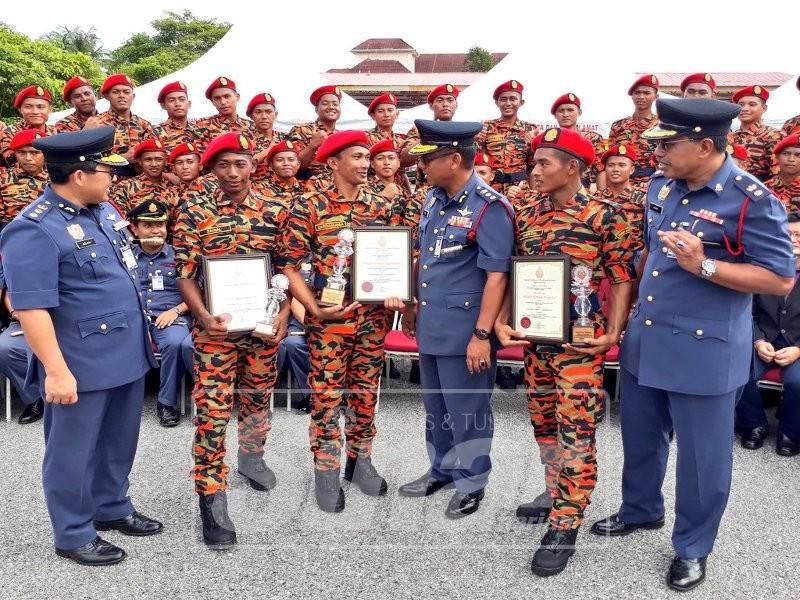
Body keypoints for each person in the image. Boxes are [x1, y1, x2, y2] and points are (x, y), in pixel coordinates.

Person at [591, 97, 795, 592]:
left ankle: (693, 546)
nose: (657, 152)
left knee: (703, 459)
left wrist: (704, 266)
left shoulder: (751, 200)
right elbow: (648, 252)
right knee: (640, 435)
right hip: (651, 336)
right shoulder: (663, 186)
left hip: (706, 348)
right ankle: (641, 510)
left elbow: (779, 279)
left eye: (669, 144)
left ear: (705, 146)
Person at [0, 126, 162, 566]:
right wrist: (55, 369)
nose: (113, 178)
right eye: (105, 171)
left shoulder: (103, 211)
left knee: (119, 439)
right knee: (72, 449)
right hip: (80, 359)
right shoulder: (32, 229)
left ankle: (111, 507)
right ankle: (72, 532)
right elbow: (31, 308)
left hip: (127, 350)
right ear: (79, 174)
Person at [495, 128, 636, 576]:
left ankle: (566, 521)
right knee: (544, 424)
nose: (534, 171)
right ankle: (556, 489)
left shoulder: (604, 216)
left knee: (576, 428)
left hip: (579, 343)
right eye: (534, 163)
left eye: (544, 164)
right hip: (536, 342)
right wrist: (504, 318)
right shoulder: (528, 213)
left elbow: (620, 277)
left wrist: (613, 331)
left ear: (572, 167)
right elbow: (519, 273)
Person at [173, 132, 290, 549]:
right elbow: (185, 273)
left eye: (240, 163)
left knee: (259, 397)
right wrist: (203, 315)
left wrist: (285, 314)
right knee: (213, 410)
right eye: (224, 165)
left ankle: (252, 458)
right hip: (216, 331)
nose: (233, 173)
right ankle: (211, 496)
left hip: (262, 329)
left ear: (253, 165)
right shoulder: (194, 210)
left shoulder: (277, 210)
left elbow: (288, 270)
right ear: (212, 169)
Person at [396, 120, 514, 519]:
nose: (422, 165)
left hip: (466, 330)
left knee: (467, 411)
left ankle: (472, 480)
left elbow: (497, 274)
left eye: (429, 159)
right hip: (432, 322)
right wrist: (412, 302)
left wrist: (482, 335)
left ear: (455, 159)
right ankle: (441, 469)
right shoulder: (433, 198)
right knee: (436, 408)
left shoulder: (489, 206)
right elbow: (426, 258)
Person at [281, 130, 401, 513]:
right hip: (330, 321)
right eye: (357, 157)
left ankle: (360, 461)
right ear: (333, 162)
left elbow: (397, 257)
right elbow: (289, 264)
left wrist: (399, 291)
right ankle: (326, 469)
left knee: (366, 393)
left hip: (372, 318)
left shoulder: (381, 205)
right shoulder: (309, 206)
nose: (366, 164)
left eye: (368, 157)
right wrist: (313, 309)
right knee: (328, 396)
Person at [735, 212, 800, 457]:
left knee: (797, 382)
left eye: (798, 235)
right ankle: (753, 424)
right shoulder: (764, 270)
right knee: (740, 372)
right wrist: (758, 339)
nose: (793, 239)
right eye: (789, 234)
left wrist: (798, 349)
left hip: (797, 345)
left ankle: (791, 433)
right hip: (766, 339)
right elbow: (747, 311)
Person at [128, 200, 193, 427]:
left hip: (170, 318)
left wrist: (175, 311)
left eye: (160, 225)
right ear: (134, 229)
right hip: (133, 318)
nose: (156, 230)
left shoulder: (180, 256)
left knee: (175, 343)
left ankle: (166, 403)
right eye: (148, 225)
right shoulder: (124, 257)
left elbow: (198, 293)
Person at [475, 80, 538, 194]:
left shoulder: (530, 129)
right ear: (497, 103)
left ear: (521, 102)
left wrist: (534, 192)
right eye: (503, 99)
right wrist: (476, 140)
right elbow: (478, 160)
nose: (508, 103)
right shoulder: (487, 127)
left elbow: (534, 166)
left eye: (513, 99)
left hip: (520, 189)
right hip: (492, 189)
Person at [0, 260, 43, 424]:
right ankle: (37, 397)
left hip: (64, 315)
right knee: (4, 347)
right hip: (24, 316)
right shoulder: (15, 249)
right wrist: (14, 312)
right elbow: (8, 290)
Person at [605, 75, 660, 188]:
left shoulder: (661, 125)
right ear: (632, 96)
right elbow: (611, 158)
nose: (641, 96)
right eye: (637, 93)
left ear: (656, 96)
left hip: (651, 183)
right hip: (621, 184)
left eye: (646, 93)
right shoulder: (618, 125)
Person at [88, 74, 154, 161]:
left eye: (126, 92)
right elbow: (87, 158)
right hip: (108, 173)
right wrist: (123, 159)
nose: (121, 95)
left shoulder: (144, 125)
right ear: (107, 96)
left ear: (133, 97)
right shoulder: (96, 123)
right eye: (115, 92)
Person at [289, 85, 342, 182]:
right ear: (316, 109)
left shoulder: (342, 136)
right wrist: (312, 146)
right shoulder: (301, 130)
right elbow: (291, 168)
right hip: (310, 188)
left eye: (335, 104)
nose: (331, 107)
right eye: (325, 103)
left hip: (338, 189)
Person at [550, 93, 605, 187]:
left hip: (583, 190)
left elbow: (601, 170)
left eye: (570, 110)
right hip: (555, 189)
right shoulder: (549, 140)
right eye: (561, 111)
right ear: (555, 115)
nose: (565, 114)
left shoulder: (593, 138)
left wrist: (601, 195)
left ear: (579, 113)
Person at [108, 138, 175, 215]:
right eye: (148, 160)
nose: (154, 164)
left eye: (159, 159)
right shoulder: (124, 187)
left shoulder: (173, 186)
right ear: (140, 161)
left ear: (166, 161)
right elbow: (120, 218)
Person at [400, 84, 459, 168]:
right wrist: (430, 137)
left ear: (456, 105)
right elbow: (404, 158)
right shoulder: (420, 129)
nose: (445, 104)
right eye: (440, 100)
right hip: (430, 178)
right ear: (431, 106)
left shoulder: (462, 130)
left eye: (450, 100)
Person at [599, 144, 647, 246]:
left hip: (635, 259)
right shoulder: (596, 199)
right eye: (611, 165)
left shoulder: (643, 199)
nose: (615, 169)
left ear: (632, 170)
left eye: (622, 165)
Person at [731, 85, 781, 182]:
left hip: (758, 190)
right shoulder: (731, 136)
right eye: (741, 105)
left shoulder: (773, 135)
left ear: (764, 108)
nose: (744, 108)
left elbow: (778, 174)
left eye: (752, 104)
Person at [0, 129, 49, 228]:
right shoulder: (3, 178)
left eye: (35, 153)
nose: (28, 158)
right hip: (11, 231)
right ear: (15, 154)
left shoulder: (58, 178)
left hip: (48, 230)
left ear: (45, 154)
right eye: (21, 153)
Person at [0, 86, 56, 164]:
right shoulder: (10, 132)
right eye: (28, 107)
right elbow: (11, 159)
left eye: (41, 107)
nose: (35, 112)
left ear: (50, 110)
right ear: (20, 109)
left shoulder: (57, 132)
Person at [195, 77, 254, 148]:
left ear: (237, 97)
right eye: (217, 98)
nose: (223, 102)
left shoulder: (252, 127)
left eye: (227, 96)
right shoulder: (202, 126)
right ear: (212, 102)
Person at [246, 93, 286, 183]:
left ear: (275, 115)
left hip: (283, 190)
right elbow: (242, 167)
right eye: (258, 112)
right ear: (251, 116)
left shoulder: (285, 138)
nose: (264, 116)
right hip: (256, 190)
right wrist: (268, 151)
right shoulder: (243, 140)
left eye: (268, 112)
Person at [152, 81, 201, 152]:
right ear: (163, 106)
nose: (177, 104)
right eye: (172, 100)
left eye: (182, 99)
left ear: (189, 104)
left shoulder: (200, 129)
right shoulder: (155, 132)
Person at [765, 134, 800, 214]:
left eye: (798, 155)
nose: (791, 159)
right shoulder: (765, 188)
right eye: (786, 154)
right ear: (777, 157)